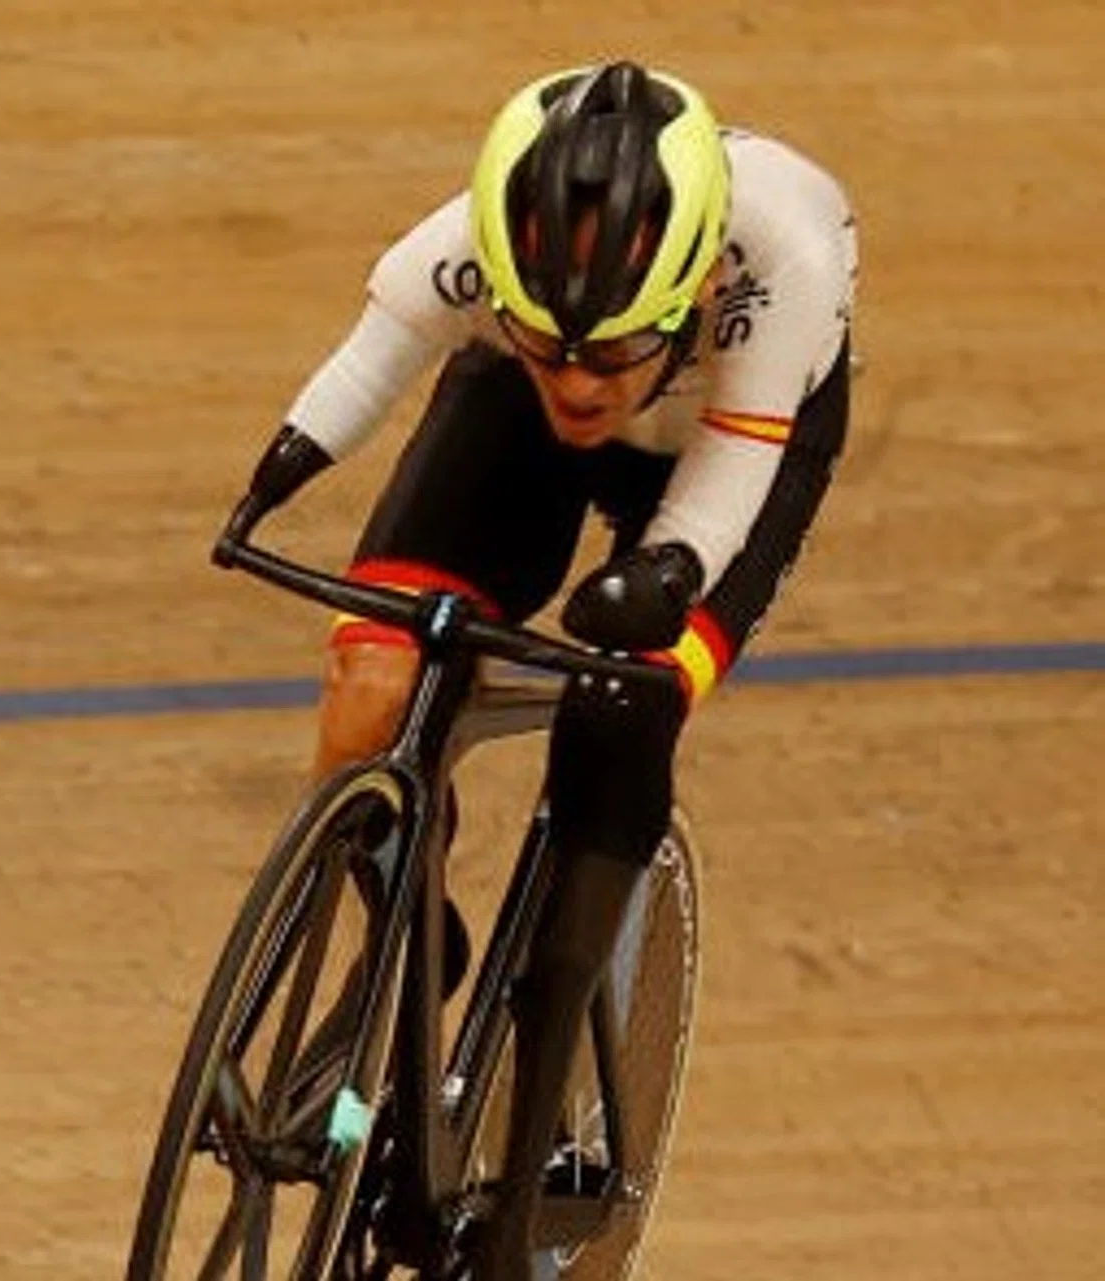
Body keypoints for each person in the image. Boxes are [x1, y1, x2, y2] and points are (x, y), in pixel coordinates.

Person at [215, 60, 857, 1278]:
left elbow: (717, 502)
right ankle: (416, 932)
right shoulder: (467, 256)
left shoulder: (788, 268)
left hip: (731, 449)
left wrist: (657, 591)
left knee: (624, 703)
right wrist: (273, 482)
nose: (574, 383)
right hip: (506, 421)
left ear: (690, 292)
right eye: (546, 343)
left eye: (605, 354)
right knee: (371, 681)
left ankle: (542, 1084)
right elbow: (367, 369)